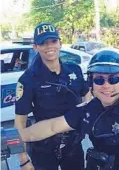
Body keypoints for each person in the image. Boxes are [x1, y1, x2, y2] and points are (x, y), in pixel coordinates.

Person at [19, 49, 119, 170]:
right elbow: (52, 127)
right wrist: (18, 137)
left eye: (113, 79)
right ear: (90, 82)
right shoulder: (90, 109)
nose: (106, 86)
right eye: (99, 80)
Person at [15, 22, 91, 170]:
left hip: (73, 146)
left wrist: (85, 118)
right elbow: (20, 122)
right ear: (35, 47)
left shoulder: (74, 70)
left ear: (60, 43)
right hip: (43, 149)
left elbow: (86, 94)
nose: (49, 46)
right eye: (43, 43)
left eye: (53, 41)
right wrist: (23, 159)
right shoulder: (28, 79)